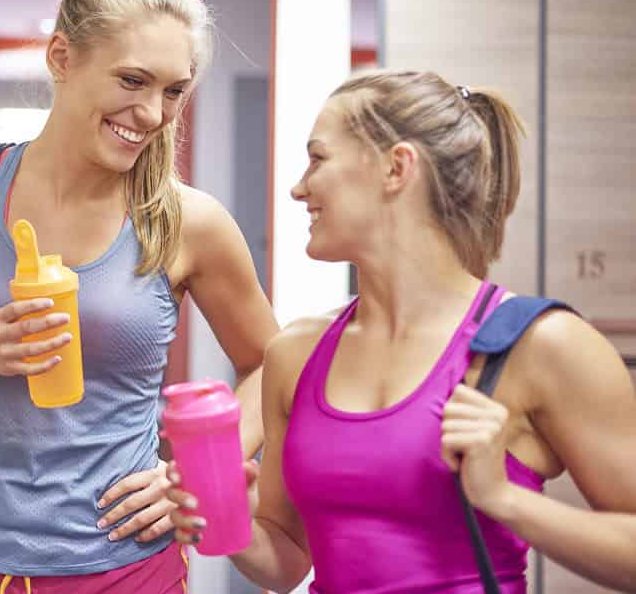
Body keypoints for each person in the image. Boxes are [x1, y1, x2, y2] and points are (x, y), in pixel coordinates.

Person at [0, 0, 278, 594]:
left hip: (127, 566)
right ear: (62, 58)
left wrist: (202, 470)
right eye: (131, 81)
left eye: (173, 91)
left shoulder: (188, 221)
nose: (152, 114)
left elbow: (274, 361)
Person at [166, 69, 636, 593]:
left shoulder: (544, 346)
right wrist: (231, 520)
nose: (299, 188)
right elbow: (289, 559)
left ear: (396, 168)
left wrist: (505, 499)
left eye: (318, 158)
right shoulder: (295, 353)